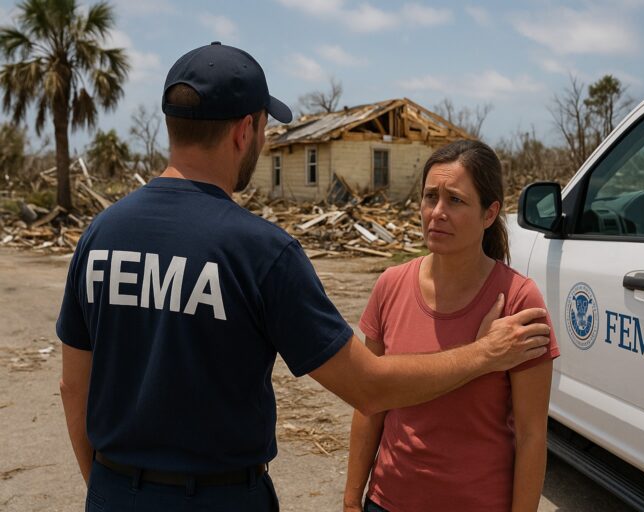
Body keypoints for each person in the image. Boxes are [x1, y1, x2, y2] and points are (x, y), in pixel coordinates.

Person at [56, 43, 552, 511]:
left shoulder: (101, 233)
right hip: (220, 498)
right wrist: (486, 353)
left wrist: (107, 488)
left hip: (114, 489)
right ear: (243, 131)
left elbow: (73, 389)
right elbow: (369, 387)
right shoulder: (260, 252)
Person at [344, 140, 560, 512]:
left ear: (490, 214)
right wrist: (351, 500)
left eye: (456, 200)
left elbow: (530, 435)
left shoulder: (519, 301)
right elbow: (369, 405)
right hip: (386, 501)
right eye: (430, 197)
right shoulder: (390, 285)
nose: (437, 213)